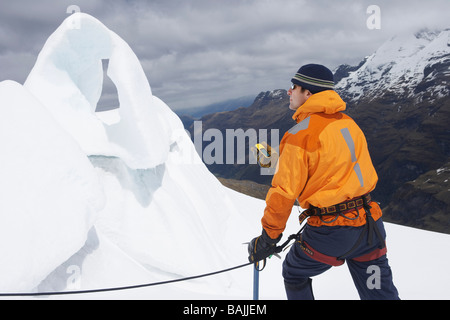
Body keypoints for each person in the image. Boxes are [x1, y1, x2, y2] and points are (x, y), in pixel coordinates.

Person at [248, 64, 399, 300]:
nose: (289, 92)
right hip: (370, 227)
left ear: (308, 93)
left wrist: (268, 239)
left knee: (294, 272)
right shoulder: (348, 123)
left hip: (332, 233)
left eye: (293, 87)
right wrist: (273, 157)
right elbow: (327, 161)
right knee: (378, 291)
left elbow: (285, 191)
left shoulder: (300, 134)